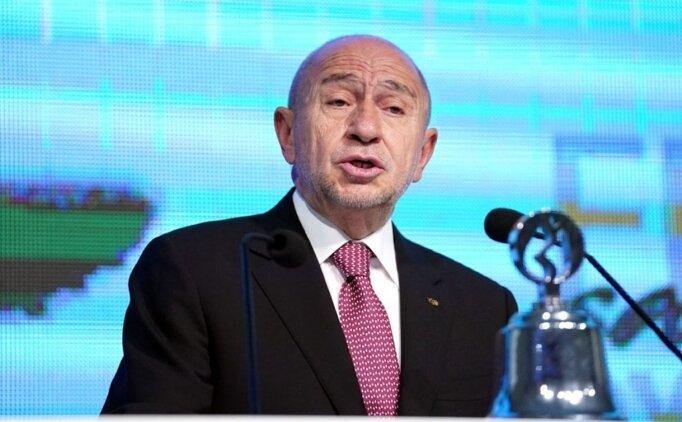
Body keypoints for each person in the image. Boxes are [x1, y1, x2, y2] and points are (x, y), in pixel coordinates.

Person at [102, 35, 517, 416]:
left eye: (393, 108)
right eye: (338, 101)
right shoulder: (196, 271)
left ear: (423, 154)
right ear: (288, 134)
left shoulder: (483, 308)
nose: (366, 129)